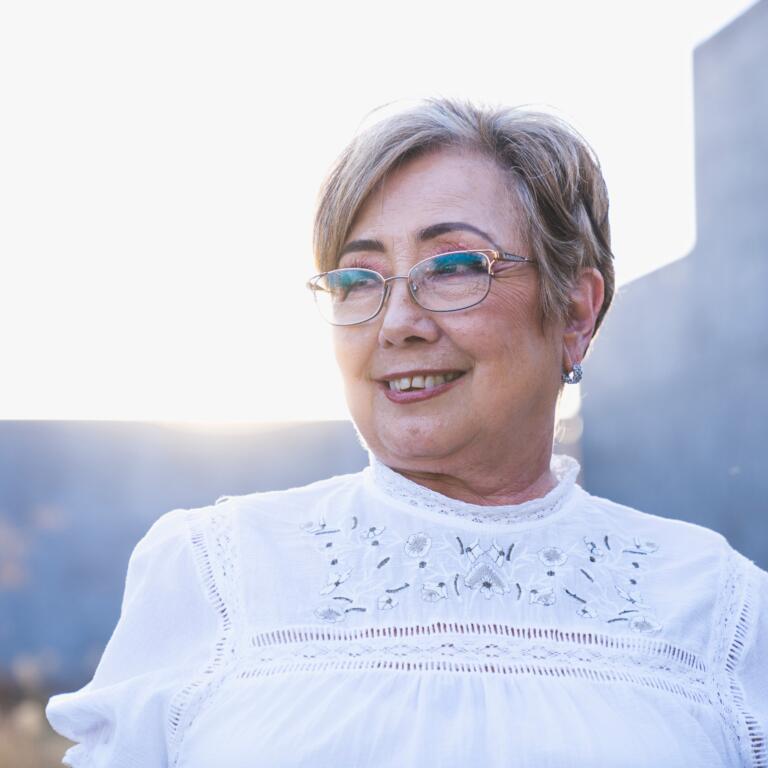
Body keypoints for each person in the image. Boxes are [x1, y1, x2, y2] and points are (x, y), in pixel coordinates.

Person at [46, 98, 767, 767]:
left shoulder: (721, 611)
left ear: (575, 312)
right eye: (358, 281)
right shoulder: (212, 571)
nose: (397, 324)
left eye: (452, 267)